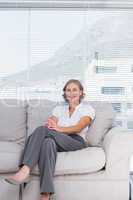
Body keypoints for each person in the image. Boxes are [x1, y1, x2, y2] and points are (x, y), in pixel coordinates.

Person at [5, 79, 95, 200]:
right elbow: (50, 125)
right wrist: (54, 127)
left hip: (76, 141)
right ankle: (45, 194)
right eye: (68, 90)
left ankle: (25, 169)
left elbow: (79, 127)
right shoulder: (59, 109)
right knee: (47, 142)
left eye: (75, 89)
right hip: (57, 139)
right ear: (65, 93)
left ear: (81, 92)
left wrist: (58, 128)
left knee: (43, 130)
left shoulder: (87, 109)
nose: (71, 92)